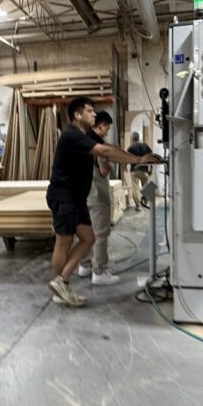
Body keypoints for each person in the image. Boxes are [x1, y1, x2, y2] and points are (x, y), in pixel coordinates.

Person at [47, 98, 161, 307]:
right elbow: (105, 153)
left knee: (89, 238)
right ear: (77, 115)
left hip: (77, 197)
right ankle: (61, 285)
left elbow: (109, 146)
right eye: (90, 111)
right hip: (63, 196)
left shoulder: (86, 134)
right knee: (63, 242)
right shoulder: (72, 135)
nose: (94, 114)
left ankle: (60, 281)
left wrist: (138, 157)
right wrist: (138, 161)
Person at [77, 111, 120, 286]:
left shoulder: (80, 140)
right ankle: (99, 271)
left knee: (85, 233)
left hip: (83, 195)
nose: (106, 132)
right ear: (100, 125)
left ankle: (84, 265)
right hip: (97, 195)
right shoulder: (98, 146)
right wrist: (111, 161)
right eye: (106, 128)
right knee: (100, 234)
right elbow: (103, 171)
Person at [127, 132, 153, 211]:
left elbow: (126, 158)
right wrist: (151, 168)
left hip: (134, 170)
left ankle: (138, 206)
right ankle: (146, 202)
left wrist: (125, 166)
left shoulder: (130, 147)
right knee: (146, 186)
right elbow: (151, 156)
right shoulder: (145, 146)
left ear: (132, 138)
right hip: (144, 170)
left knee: (135, 188)